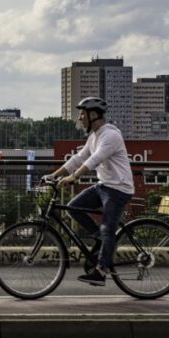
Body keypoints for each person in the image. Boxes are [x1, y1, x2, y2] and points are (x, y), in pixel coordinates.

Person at [44, 96, 134, 286]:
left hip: (119, 188)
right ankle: (101, 239)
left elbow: (95, 160)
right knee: (73, 207)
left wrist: (74, 177)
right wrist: (54, 175)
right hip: (105, 185)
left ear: (93, 115)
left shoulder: (111, 135)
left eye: (82, 114)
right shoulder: (94, 136)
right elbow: (78, 158)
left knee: (108, 228)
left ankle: (101, 271)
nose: (80, 118)